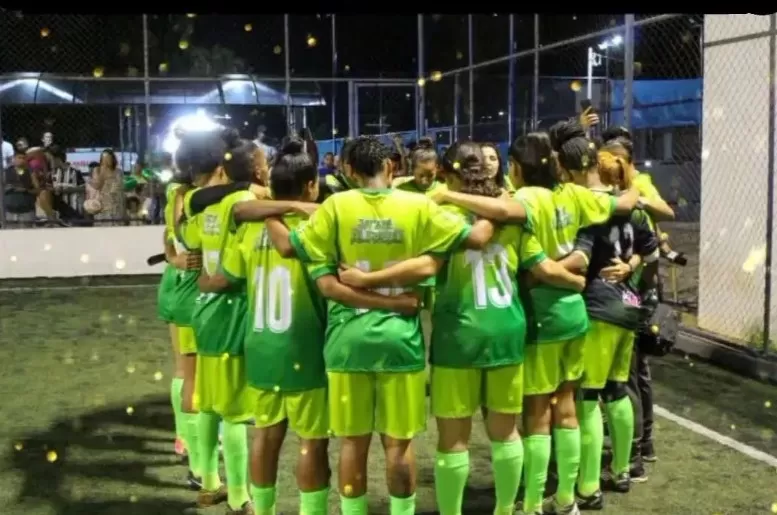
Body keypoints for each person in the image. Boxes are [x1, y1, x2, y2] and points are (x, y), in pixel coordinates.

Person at [337, 141, 586, 515]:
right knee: (505, 431)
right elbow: (537, 265)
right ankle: (509, 509)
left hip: (458, 334)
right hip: (507, 329)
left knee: (454, 439)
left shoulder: (440, 215)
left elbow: (424, 270)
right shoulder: (512, 215)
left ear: (447, 174)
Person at [261, 135, 495, 515]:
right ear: (391, 167)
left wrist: (265, 208)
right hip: (400, 340)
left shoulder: (335, 206)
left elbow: (293, 249)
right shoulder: (417, 206)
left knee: (352, 444)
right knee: (398, 445)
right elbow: (474, 238)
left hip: (346, 342)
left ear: (349, 170)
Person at [430, 128, 640, 515]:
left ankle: (530, 502)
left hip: (519, 321)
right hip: (566, 314)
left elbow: (518, 250)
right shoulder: (570, 196)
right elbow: (618, 206)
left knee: (517, 420)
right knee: (573, 406)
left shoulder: (507, 204)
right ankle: (566, 497)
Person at [550, 127, 659, 509]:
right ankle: (625, 470)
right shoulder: (633, 206)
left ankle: (588, 484)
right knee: (617, 390)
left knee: (588, 397)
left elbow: (580, 258)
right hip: (629, 307)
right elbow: (651, 252)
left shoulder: (586, 208)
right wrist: (630, 265)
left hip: (597, 309)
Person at [176, 129, 257, 514]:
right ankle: (240, 496)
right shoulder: (240, 201)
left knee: (208, 404)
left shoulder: (199, 206)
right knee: (236, 412)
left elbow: (183, 234)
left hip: (203, 311)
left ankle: (209, 483)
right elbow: (233, 272)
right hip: (230, 310)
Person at [156, 180, 203, 482]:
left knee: (183, 370)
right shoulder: (195, 196)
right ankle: (195, 441)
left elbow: (168, 235)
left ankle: (183, 436)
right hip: (190, 289)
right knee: (194, 373)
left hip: (176, 283)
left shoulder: (176, 191)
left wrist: (171, 257)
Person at [3, 150, 39, 227]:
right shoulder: (5, 172)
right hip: (9, 211)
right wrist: (7, 188)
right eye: (19, 158)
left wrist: (26, 190)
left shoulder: (30, 172)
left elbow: (37, 190)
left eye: (23, 158)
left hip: (27, 210)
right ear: (14, 158)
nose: (21, 160)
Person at [89, 149, 124, 224]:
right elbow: (97, 186)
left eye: (108, 158)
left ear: (113, 159)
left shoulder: (118, 171)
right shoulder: (97, 170)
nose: (106, 160)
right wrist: (103, 173)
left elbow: (120, 187)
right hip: (102, 204)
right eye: (104, 158)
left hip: (116, 204)